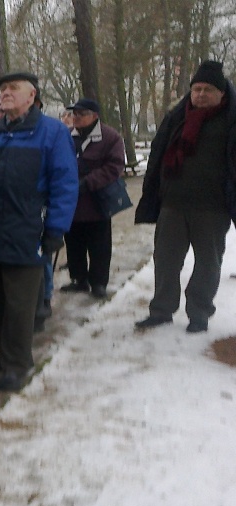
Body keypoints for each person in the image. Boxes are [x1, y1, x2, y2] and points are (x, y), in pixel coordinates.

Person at [0, 72, 78, 393]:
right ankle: (6, 354)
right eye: (2, 89)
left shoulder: (52, 133)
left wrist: (56, 228)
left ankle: (18, 363)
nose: (5, 94)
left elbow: (65, 184)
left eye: (13, 88)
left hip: (28, 232)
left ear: (32, 96)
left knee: (19, 305)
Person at [135, 60, 236, 333]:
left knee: (208, 264)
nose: (201, 94)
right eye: (197, 89)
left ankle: (199, 313)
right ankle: (161, 310)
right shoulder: (178, 117)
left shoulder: (230, 121)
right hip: (173, 205)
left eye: (208, 89)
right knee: (165, 260)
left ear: (222, 93)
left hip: (212, 209)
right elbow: (157, 155)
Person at [59, 98, 126, 299]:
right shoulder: (66, 136)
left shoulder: (110, 137)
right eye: (74, 114)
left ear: (94, 116)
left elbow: (115, 166)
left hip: (97, 199)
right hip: (71, 200)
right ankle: (79, 278)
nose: (76, 118)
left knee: (99, 244)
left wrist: (88, 182)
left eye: (81, 114)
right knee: (73, 241)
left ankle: (99, 282)